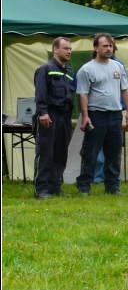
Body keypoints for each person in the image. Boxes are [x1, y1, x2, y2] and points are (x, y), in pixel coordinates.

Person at [75, 32, 128, 196]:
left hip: (115, 114)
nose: (109, 49)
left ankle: (113, 187)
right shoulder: (87, 69)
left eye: (111, 46)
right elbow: (82, 94)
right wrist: (85, 116)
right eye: (105, 46)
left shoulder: (118, 67)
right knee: (90, 152)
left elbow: (125, 89)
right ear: (96, 48)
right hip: (96, 114)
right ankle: (84, 187)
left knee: (114, 152)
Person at [32, 36, 75, 199]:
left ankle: (55, 186)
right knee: (46, 152)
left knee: (60, 152)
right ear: (55, 50)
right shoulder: (46, 68)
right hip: (49, 115)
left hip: (64, 116)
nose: (69, 51)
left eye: (70, 49)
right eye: (66, 48)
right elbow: (40, 92)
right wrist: (42, 112)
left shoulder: (68, 72)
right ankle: (41, 189)